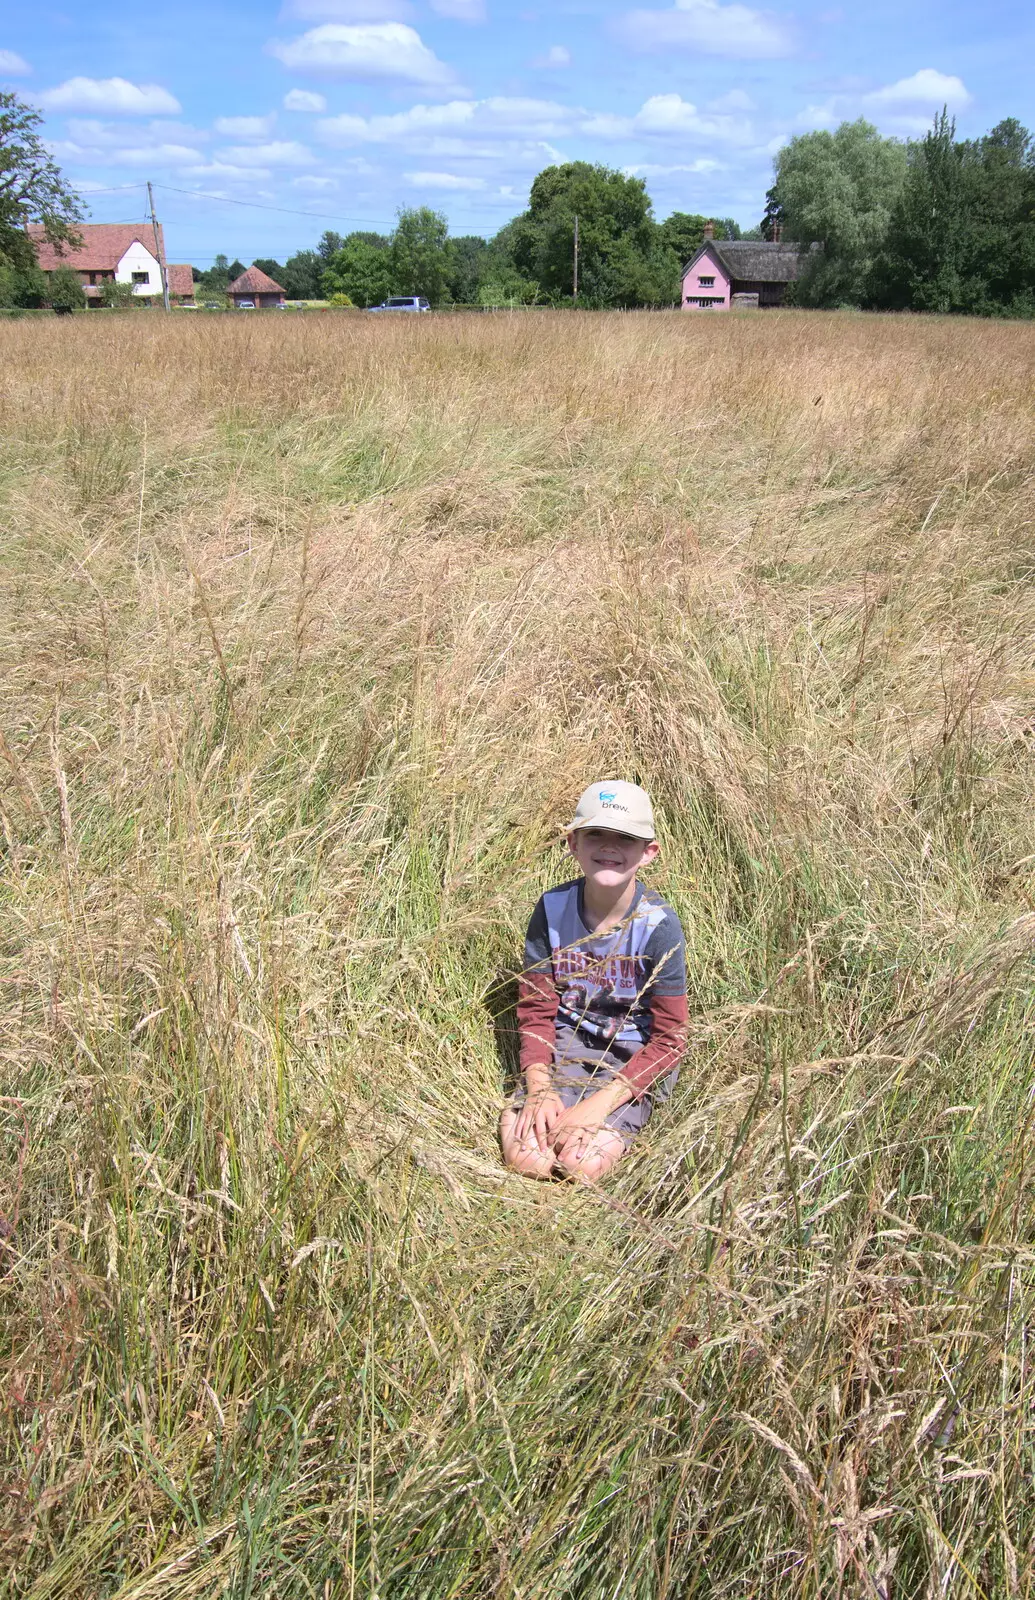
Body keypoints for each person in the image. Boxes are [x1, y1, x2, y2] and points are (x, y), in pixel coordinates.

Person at [500, 779, 689, 1183]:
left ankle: (609, 1117)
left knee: (581, 1163)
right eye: (595, 834)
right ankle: (541, 1107)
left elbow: (671, 1038)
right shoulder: (552, 909)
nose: (608, 846)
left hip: (631, 1057)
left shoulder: (659, 925)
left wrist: (599, 1105)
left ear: (648, 852)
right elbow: (537, 1010)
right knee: (526, 1157)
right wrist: (539, 1086)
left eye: (624, 838)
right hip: (564, 1045)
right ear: (573, 844)